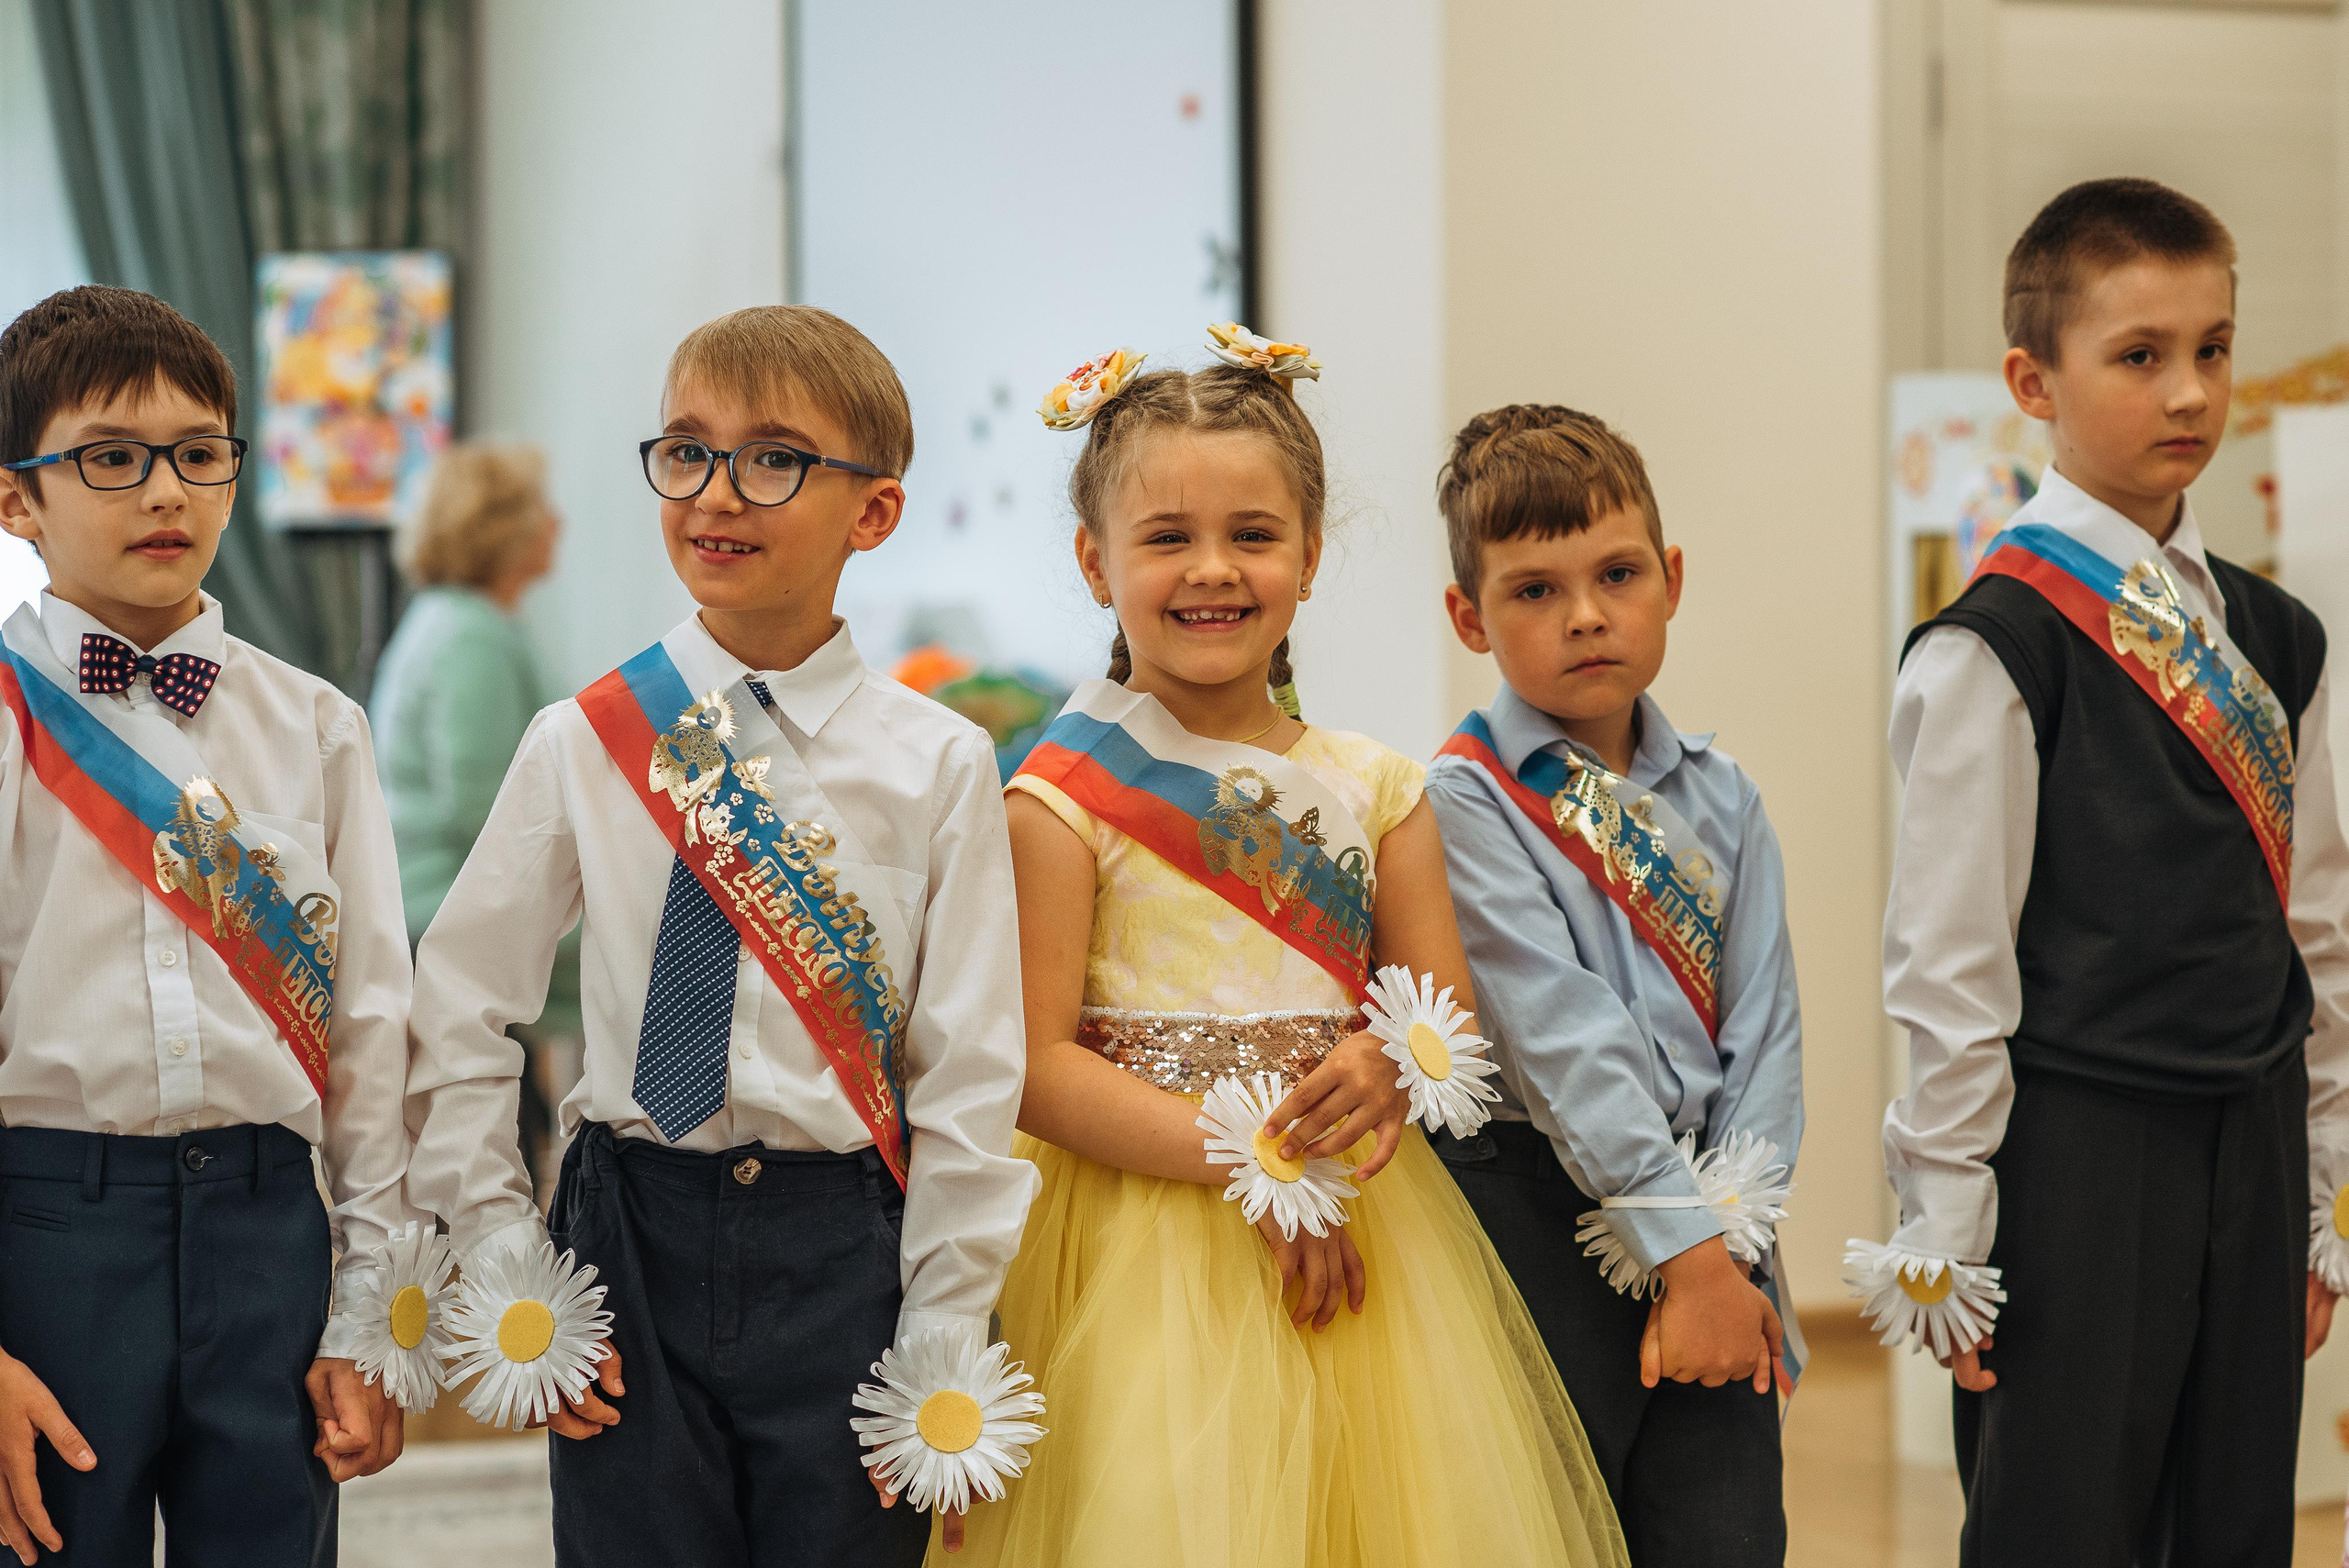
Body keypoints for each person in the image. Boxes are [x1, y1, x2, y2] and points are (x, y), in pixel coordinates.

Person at [951, 335, 1628, 1567]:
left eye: (1254, 534)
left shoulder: (1378, 790)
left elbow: (1442, 1026)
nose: (1213, 569)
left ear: (1311, 554)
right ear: (1094, 561)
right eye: (1167, 538)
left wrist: (1385, 1067)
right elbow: (1035, 1067)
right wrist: (1250, 1161)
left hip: (1366, 1230)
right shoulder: (1059, 801)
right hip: (1138, 1241)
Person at [399, 305, 1036, 1566]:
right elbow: (460, 1002)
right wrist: (505, 1257)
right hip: (628, 1232)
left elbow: (969, 1073)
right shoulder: (585, 737)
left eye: (774, 457)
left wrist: (946, 1323)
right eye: (686, 450)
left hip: (846, 1247)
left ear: (875, 511)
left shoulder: (942, 762)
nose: (715, 493)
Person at [1866, 177, 2349, 1564]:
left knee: (2237, 1518)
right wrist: (1950, 1226)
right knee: (2063, 1525)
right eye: (2139, 356)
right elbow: (1947, 970)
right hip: (2076, 1152)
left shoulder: (2280, 634)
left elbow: (2317, 933)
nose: (2188, 391)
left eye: (2212, 348)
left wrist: (2320, 1197)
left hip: (2251, 1140)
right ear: (2035, 379)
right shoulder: (1995, 647)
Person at [0, 285, 414, 1563]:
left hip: (267, 1229)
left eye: (198, 454)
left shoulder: (318, 727)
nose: (164, 491)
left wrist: (371, 1316)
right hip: (51, 1234)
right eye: (111, 459)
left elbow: (374, 1033)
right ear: (17, 497)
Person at [1423, 405, 1803, 1566]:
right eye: (1533, 589)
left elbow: (1768, 1035)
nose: (1586, 614)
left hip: (1716, 1224)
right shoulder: (1464, 796)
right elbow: (1559, 1037)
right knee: (1554, 1528)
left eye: (1617, 572)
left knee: (1724, 1531)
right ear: (1467, 617)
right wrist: (1680, 1249)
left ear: (1670, 579)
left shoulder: (1724, 795)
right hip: (1535, 1206)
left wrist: (1730, 1246)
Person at [370, 442, 577, 1197]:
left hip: (431, 903)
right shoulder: (472, 636)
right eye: (542, 511)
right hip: (445, 910)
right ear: (505, 530)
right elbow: (485, 810)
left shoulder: (453, 620)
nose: (558, 524)